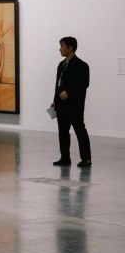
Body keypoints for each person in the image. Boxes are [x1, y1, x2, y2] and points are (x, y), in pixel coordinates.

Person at [52, 36, 91, 167]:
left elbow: (84, 84)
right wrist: (55, 100)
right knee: (63, 132)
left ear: (70, 48)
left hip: (75, 106)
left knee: (80, 131)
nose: (60, 49)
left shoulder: (82, 65)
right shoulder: (61, 65)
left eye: (62, 46)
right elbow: (57, 85)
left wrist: (69, 92)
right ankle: (65, 158)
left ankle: (86, 159)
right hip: (61, 106)